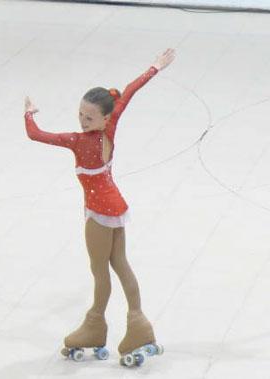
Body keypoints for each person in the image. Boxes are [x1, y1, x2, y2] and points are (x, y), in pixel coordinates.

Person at [24, 48, 175, 365]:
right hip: (117, 206)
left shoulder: (77, 141)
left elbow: (35, 135)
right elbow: (129, 93)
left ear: (104, 117)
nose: (82, 120)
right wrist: (154, 67)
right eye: (80, 114)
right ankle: (138, 324)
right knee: (120, 264)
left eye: (89, 117)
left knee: (100, 271)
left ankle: (95, 325)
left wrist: (29, 112)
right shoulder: (110, 129)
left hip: (99, 212)